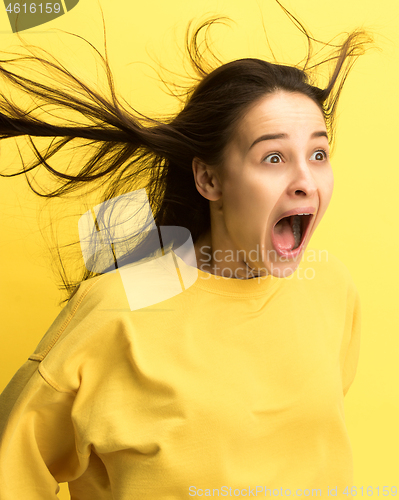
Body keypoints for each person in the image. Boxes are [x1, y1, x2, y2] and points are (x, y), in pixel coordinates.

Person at [0, 4, 371, 499]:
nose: (306, 181)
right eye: (274, 157)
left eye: (318, 154)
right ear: (209, 178)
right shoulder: (118, 311)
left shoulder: (331, 289)